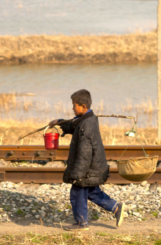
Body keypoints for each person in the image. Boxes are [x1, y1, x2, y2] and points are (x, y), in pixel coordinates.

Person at [48, 89, 126, 231]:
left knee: (77, 193)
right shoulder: (86, 119)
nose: (72, 108)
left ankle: (81, 223)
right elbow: (72, 125)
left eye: (74, 105)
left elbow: (85, 153)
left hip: (87, 169)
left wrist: (77, 174)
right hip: (93, 167)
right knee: (92, 192)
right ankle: (115, 207)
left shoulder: (86, 126)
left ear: (83, 106)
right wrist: (59, 122)